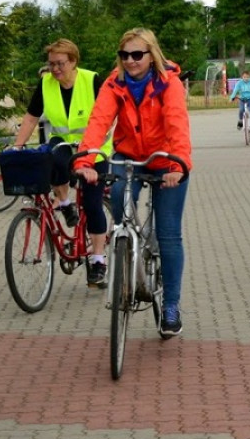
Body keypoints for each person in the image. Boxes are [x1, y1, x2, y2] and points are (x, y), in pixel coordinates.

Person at [73, 28, 192, 337]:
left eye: (137, 54)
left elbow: (177, 123)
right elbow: (99, 121)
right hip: (128, 156)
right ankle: (129, 240)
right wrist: (85, 161)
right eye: (125, 55)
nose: (130, 61)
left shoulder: (169, 83)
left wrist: (178, 163)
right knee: (117, 198)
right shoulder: (115, 83)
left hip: (166, 159)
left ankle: (171, 306)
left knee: (168, 235)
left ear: (151, 54)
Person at [11, 39, 112, 286]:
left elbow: (108, 116)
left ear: (74, 61)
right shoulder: (46, 83)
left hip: (95, 148)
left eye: (60, 64)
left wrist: (90, 151)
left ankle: (98, 259)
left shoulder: (91, 80)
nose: (55, 69)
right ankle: (66, 204)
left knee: (92, 202)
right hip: (64, 143)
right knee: (53, 159)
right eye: (51, 64)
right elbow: (31, 118)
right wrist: (17, 147)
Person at [230, 70, 250, 136]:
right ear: (242, 77)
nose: (246, 78)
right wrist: (232, 97)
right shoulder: (239, 83)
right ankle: (240, 121)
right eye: (244, 77)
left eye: (247, 77)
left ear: (249, 77)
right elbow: (235, 90)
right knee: (241, 110)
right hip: (242, 99)